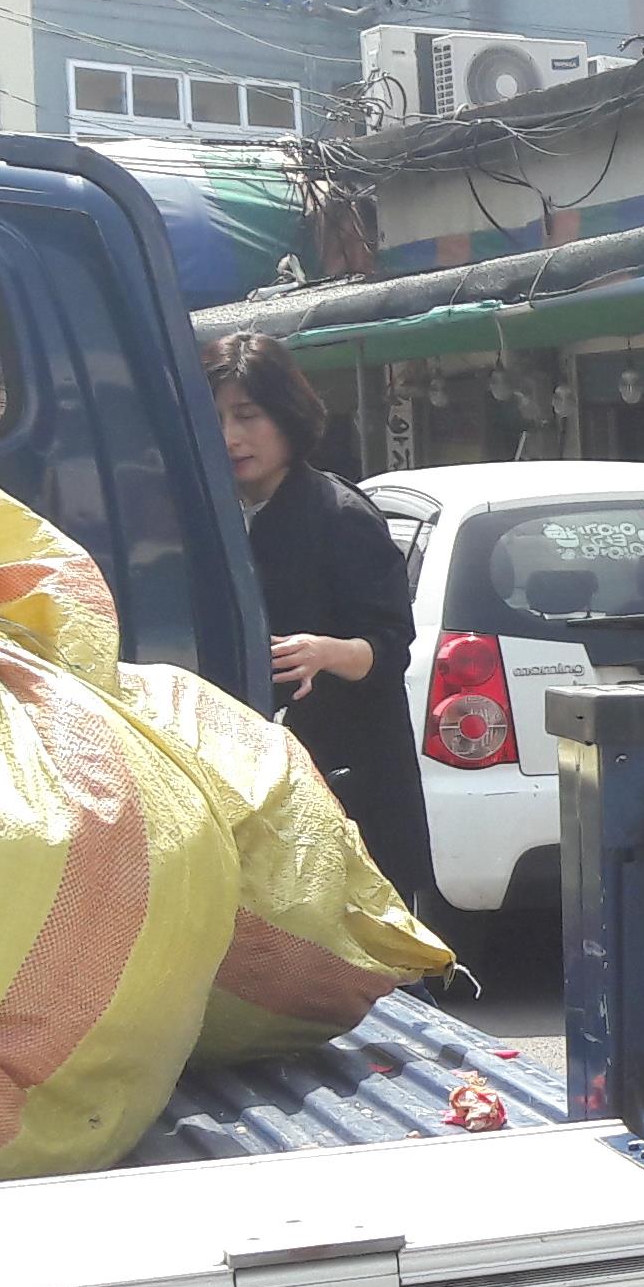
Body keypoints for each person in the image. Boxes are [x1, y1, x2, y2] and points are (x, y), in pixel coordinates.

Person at [211, 330, 440, 938]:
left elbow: (391, 646)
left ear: (286, 416)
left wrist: (325, 652)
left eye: (247, 416)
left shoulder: (339, 515)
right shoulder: (211, 518)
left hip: (351, 780)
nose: (231, 436)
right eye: (217, 418)